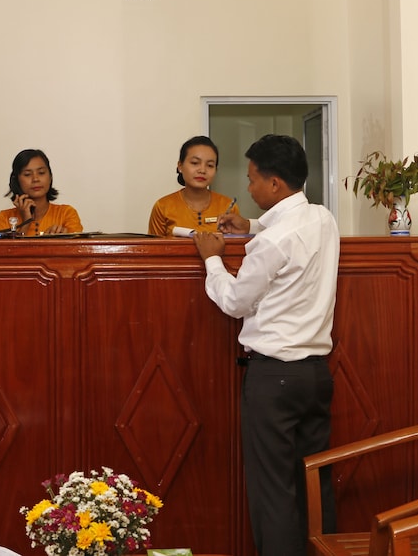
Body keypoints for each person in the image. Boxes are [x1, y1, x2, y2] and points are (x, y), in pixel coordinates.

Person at [192, 134, 339, 556]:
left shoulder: (272, 242)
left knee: (273, 490)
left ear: (274, 184)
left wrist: (212, 259)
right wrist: (251, 225)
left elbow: (235, 302)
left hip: (274, 377)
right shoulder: (323, 218)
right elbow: (290, 230)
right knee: (314, 484)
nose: (249, 187)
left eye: (253, 178)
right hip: (316, 375)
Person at [148, 135, 240, 237]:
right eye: (195, 163)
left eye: (210, 165)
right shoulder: (163, 207)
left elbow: (237, 244)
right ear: (180, 166)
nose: (202, 170)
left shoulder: (228, 206)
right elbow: (153, 245)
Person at [0, 148, 83, 236]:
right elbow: (8, 246)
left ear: (50, 177)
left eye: (41, 173)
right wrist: (26, 221)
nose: (35, 179)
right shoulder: (5, 217)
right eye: (27, 174)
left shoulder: (67, 213)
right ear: (17, 180)